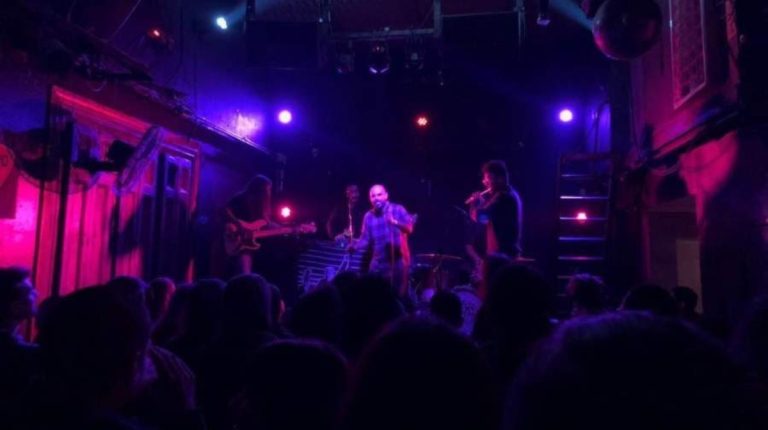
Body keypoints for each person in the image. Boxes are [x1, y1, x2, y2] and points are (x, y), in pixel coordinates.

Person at [350, 184, 415, 297]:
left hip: (397, 263)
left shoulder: (397, 209)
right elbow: (365, 239)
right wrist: (355, 246)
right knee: (374, 296)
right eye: (373, 196)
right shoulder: (368, 216)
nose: (376, 198)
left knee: (397, 297)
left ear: (386, 195)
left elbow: (409, 228)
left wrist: (395, 222)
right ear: (370, 199)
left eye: (379, 195)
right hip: (378, 264)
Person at [467, 160, 522, 258]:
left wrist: (474, 204)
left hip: (501, 256)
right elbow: (490, 216)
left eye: (488, 178)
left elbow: (481, 218)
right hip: (505, 253)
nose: (484, 182)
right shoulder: (509, 193)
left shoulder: (502, 196)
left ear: (500, 178)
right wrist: (481, 205)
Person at [225, 175, 275, 275]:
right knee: (244, 274)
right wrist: (237, 223)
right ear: (259, 188)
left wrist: (288, 228)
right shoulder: (241, 198)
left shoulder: (262, 205)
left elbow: (265, 223)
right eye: (267, 189)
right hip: (240, 244)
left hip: (255, 244)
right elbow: (225, 211)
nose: (269, 192)